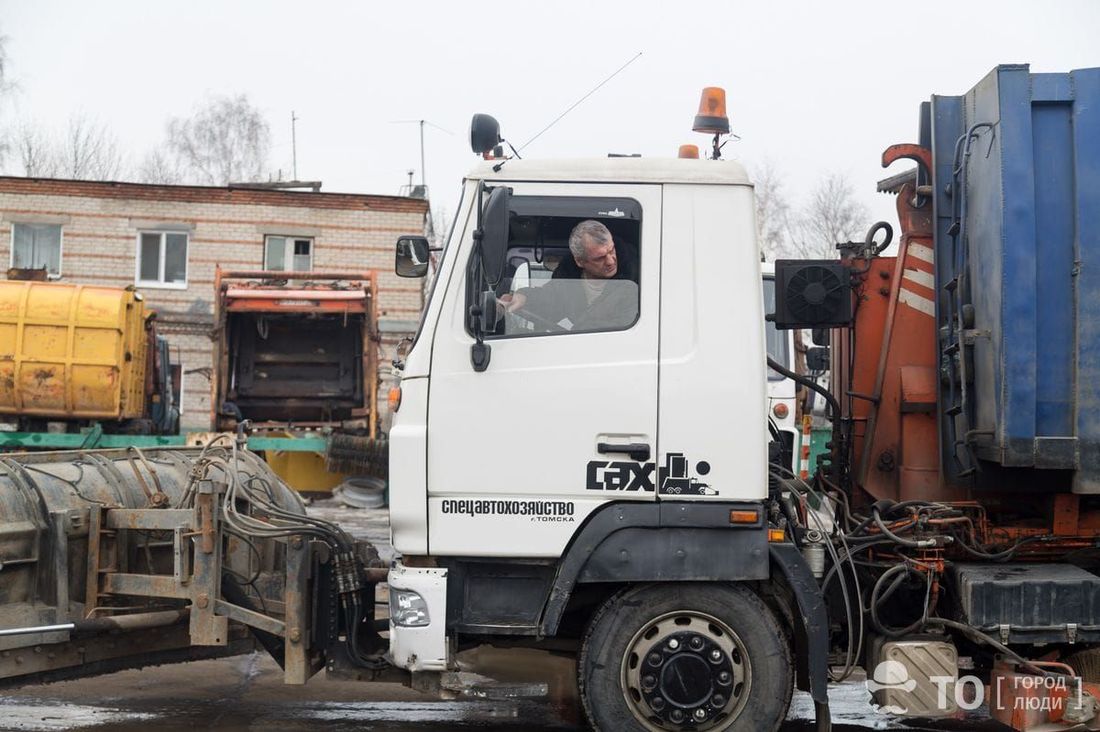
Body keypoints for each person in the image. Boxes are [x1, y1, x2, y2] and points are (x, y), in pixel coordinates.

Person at [499, 220, 639, 333]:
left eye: (611, 250)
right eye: (599, 258)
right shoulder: (568, 279)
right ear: (579, 261)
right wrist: (524, 298)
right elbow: (550, 298)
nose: (610, 261)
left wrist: (577, 330)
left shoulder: (636, 282)